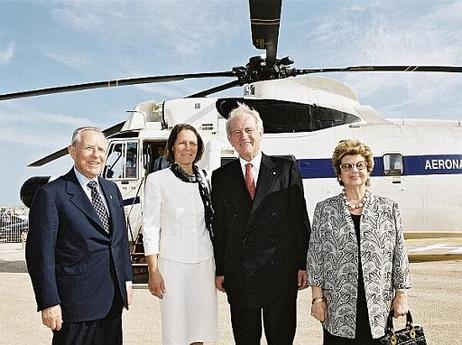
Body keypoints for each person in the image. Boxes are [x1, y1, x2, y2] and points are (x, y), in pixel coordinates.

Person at [211, 103, 310, 345]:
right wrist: (220, 269)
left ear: (260, 133)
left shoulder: (285, 170)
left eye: (248, 130)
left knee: (281, 340)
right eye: (236, 133)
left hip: (281, 274)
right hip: (240, 276)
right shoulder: (221, 177)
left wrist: (303, 264)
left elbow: (300, 221)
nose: (243, 136)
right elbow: (220, 228)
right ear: (229, 140)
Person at [26, 126, 133, 345]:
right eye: (89, 148)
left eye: (102, 150)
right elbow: (40, 254)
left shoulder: (112, 190)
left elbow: (119, 242)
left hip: (111, 303)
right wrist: (49, 302)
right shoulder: (52, 194)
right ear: (72, 151)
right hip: (74, 308)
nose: (97, 155)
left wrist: (127, 279)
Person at [307, 139, 411, 345]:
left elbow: (399, 255)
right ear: (339, 173)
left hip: (377, 305)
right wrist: (317, 299)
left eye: (360, 165)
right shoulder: (325, 209)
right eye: (347, 166)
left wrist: (401, 295)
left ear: (368, 170)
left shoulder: (388, 208)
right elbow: (315, 257)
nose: (354, 170)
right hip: (339, 306)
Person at [143, 124, 217, 345]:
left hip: (204, 263)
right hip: (173, 266)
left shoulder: (205, 178)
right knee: (177, 331)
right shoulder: (158, 180)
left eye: (193, 143)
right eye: (182, 143)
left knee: (201, 329)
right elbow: (150, 228)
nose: (188, 148)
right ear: (172, 147)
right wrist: (153, 271)